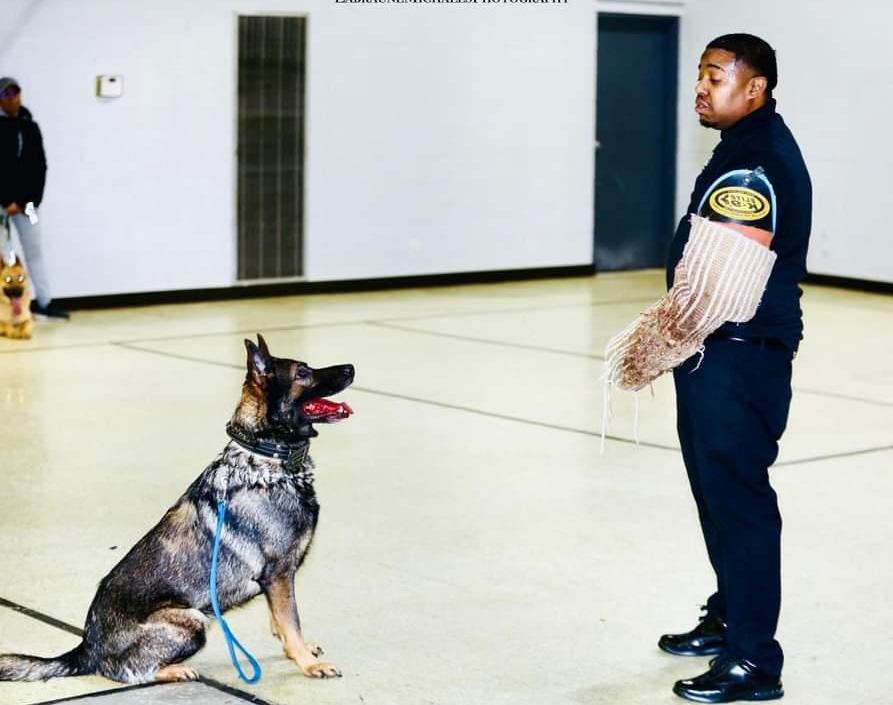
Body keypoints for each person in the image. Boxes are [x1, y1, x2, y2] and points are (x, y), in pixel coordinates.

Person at [657, 34, 811, 703]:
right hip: (716, 352)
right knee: (717, 496)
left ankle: (753, 660)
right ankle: (729, 617)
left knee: (739, 503)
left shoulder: (757, 162)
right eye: (700, 74)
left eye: (716, 77)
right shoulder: (741, 146)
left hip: (736, 356)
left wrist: (659, 333)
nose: (701, 87)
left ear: (756, 88)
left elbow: (721, 284)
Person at [0, 76, 68, 319]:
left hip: (27, 204)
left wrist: (28, 201)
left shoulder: (31, 127)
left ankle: (44, 303)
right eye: (6, 95)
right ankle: (11, 307)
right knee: (6, 255)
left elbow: (40, 167)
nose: (12, 98)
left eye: (15, 93)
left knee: (35, 251)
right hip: (2, 205)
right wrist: (6, 200)